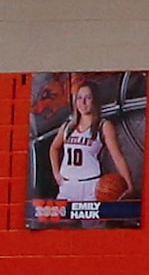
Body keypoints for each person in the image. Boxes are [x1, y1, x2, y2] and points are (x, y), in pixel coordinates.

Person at [49, 78, 134, 212]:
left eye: (88, 98)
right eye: (79, 98)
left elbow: (117, 157)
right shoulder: (67, 127)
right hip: (67, 185)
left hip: (91, 186)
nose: (82, 102)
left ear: (95, 101)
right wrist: (56, 173)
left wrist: (129, 184)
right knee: (63, 229)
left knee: (92, 228)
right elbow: (54, 148)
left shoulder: (103, 125)